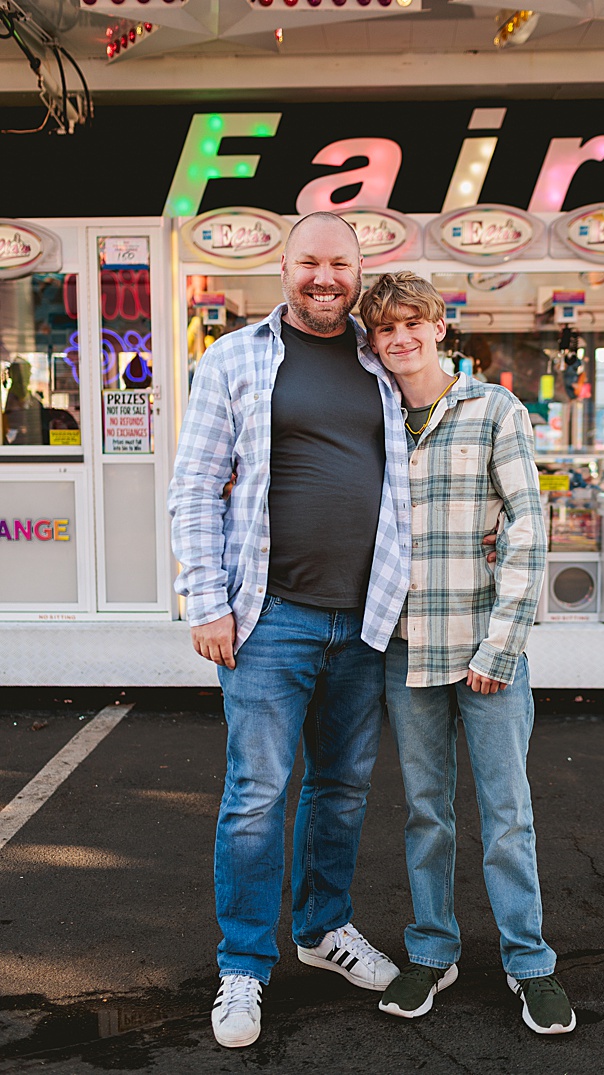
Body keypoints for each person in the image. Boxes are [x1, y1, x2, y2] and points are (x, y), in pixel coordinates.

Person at [168, 211, 410, 1049]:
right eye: (309, 261)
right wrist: (206, 601)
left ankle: (323, 930)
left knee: (342, 789)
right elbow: (195, 485)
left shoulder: (386, 360)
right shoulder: (234, 358)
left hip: (369, 618)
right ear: (284, 266)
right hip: (270, 616)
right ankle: (244, 962)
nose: (324, 277)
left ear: (358, 269)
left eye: (339, 264)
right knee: (256, 796)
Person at [357, 272, 575, 1034]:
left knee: (507, 812)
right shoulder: (375, 416)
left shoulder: (493, 409)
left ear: (439, 327)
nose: (400, 339)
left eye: (412, 324)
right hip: (403, 648)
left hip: (485, 650)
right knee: (425, 811)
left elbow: (527, 528)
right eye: (385, 330)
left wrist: (503, 644)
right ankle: (433, 949)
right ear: (375, 342)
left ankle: (529, 962)